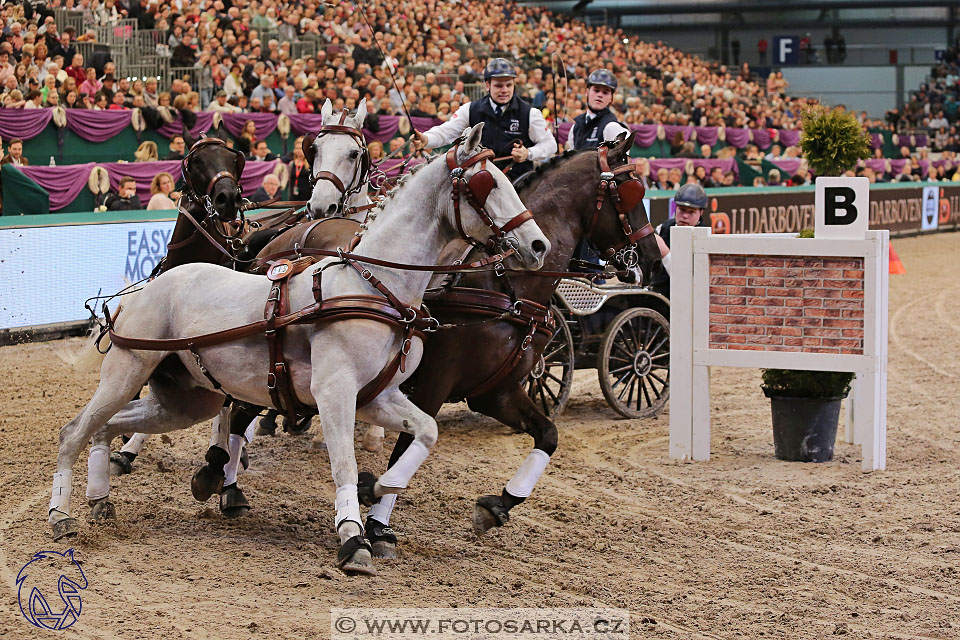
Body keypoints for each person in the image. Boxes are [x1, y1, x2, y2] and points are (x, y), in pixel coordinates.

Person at [415, 58, 556, 180]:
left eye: (509, 85)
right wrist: (426, 139)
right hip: (481, 178)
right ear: (487, 85)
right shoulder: (470, 109)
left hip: (518, 180)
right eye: (498, 86)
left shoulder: (531, 113)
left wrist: (528, 153)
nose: (505, 90)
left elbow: (550, 145)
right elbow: (446, 132)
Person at [650, 183, 711, 299]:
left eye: (691, 212)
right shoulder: (663, 228)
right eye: (681, 210)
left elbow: (688, 280)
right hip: (657, 295)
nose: (685, 216)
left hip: (683, 300)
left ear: (701, 212)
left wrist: (666, 253)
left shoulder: (704, 239)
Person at [566, 69, 629, 151]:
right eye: (596, 90)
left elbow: (619, 161)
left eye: (605, 92)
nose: (600, 95)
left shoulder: (612, 127)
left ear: (611, 98)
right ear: (587, 92)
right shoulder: (575, 127)